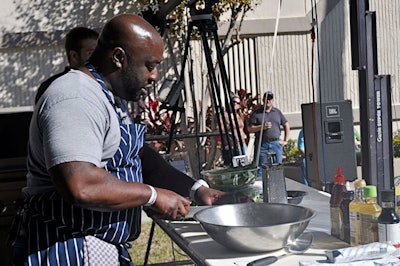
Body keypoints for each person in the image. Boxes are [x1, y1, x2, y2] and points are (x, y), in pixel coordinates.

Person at [15, 14, 226, 266]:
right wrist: (151, 196)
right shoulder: (76, 97)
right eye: (149, 65)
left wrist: (197, 191)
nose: (155, 76)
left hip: (96, 245)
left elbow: (138, 157)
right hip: (70, 248)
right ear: (118, 57)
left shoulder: (108, 98)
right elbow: (81, 184)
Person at [34, 27, 99, 104]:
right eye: (91, 53)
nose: (99, 58)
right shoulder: (52, 87)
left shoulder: (103, 84)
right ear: (74, 56)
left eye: (100, 52)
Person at [247, 91, 290, 176]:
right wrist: (262, 127)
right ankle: (262, 187)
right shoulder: (257, 113)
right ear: (263, 100)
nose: (268, 101)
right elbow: (249, 129)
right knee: (261, 169)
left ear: (273, 100)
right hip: (262, 144)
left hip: (275, 143)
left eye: (270, 99)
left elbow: (286, 125)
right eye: (266, 99)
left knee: (277, 167)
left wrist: (286, 140)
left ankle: (277, 187)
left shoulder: (277, 112)